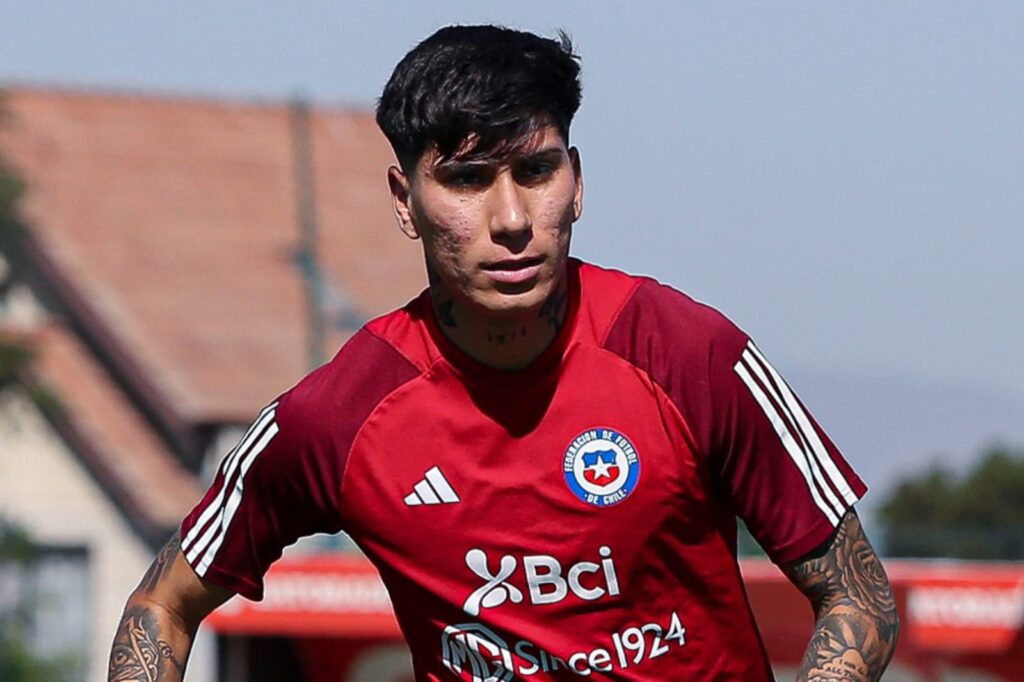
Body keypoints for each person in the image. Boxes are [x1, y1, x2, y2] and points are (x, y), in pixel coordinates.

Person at [108, 25, 898, 681]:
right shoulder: (336, 418)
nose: (512, 216)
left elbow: (859, 597)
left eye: (537, 171)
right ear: (404, 201)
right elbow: (161, 606)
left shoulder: (690, 354)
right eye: (468, 179)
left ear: (577, 183)